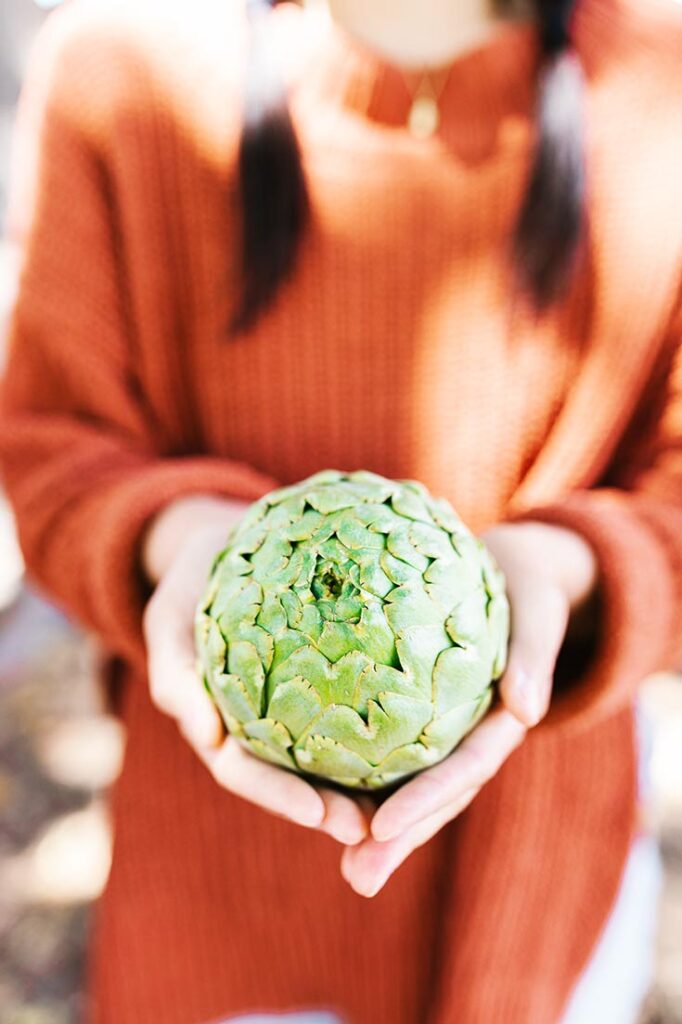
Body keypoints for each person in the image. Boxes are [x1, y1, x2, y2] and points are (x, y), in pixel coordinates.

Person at [1, 0, 681, 1020]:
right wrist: (174, 537)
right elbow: (54, 450)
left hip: (548, 877)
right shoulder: (119, 70)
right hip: (215, 888)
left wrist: (569, 564)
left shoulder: (661, 94)